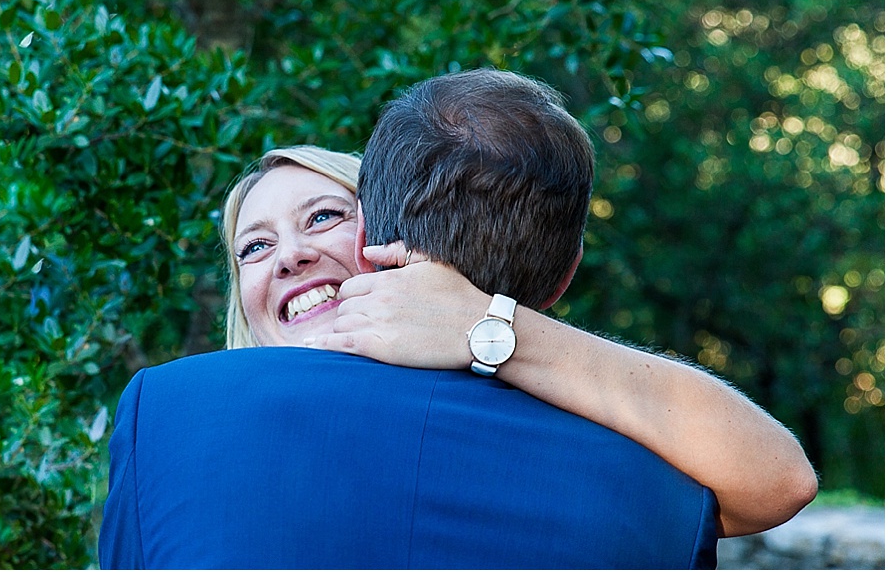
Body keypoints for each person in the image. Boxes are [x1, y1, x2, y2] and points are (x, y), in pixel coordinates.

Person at [99, 70, 814, 568]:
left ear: (386, 235)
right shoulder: (659, 483)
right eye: (253, 247)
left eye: (323, 217)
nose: (290, 257)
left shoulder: (161, 412)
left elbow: (781, 478)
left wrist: (485, 325)